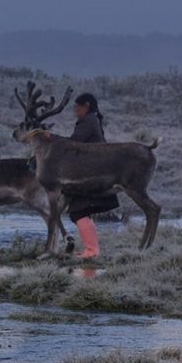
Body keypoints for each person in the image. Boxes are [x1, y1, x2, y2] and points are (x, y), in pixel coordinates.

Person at [66, 93, 119, 259]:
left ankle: (92, 251)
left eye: (78, 108)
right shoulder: (94, 119)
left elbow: (73, 143)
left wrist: (51, 139)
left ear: (86, 105)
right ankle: (92, 250)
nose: (76, 111)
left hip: (93, 175)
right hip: (97, 173)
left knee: (78, 211)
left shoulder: (88, 121)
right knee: (82, 211)